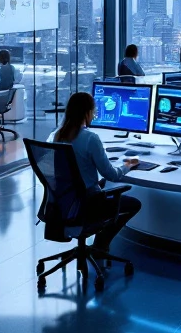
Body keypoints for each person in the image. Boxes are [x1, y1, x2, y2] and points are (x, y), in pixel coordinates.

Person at [53, 92, 141, 251]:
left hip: (64, 202)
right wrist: (128, 164)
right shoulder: (90, 138)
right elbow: (112, 175)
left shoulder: (58, 136)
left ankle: (99, 245)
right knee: (134, 204)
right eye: (93, 111)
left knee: (102, 184)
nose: (94, 115)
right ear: (86, 113)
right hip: (88, 204)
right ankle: (101, 245)